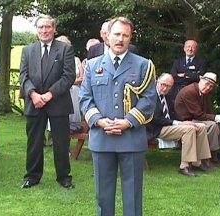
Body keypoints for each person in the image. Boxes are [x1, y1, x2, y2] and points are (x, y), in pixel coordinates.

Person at [79, 17, 156, 216]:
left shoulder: (144, 66)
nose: (120, 39)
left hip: (131, 139)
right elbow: (85, 98)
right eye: (117, 34)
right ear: (107, 36)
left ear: (130, 38)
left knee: (133, 198)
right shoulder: (92, 65)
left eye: (125, 35)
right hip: (102, 139)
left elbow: (149, 100)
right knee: (103, 198)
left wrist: (127, 122)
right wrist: (99, 121)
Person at [20, 15, 76, 189]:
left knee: (61, 143)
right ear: (36, 30)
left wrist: (50, 94)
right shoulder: (28, 50)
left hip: (58, 103)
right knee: (34, 142)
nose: (44, 31)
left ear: (54, 29)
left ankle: (64, 177)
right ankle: (32, 176)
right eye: (41, 28)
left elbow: (69, 76)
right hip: (34, 102)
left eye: (47, 27)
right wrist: (33, 94)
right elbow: (24, 76)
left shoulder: (65, 49)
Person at [146, 73, 212, 177]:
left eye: (169, 86)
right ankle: (184, 166)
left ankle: (199, 162)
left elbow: (173, 113)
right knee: (189, 130)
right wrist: (179, 123)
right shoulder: (150, 96)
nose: (165, 88)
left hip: (169, 126)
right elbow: (156, 119)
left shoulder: (168, 95)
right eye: (163, 84)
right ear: (157, 82)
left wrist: (185, 121)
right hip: (156, 129)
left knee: (200, 127)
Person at [174, 72, 220, 164]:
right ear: (201, 80)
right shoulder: (190, 91)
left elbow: (209, 112)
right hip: (186, 121)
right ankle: (206, 158)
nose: (208, 87)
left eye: (211, 86)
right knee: (212, 125)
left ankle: (215, 153)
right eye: (207, 84)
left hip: (197, 118)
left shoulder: (204, 92)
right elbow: (198, 115)